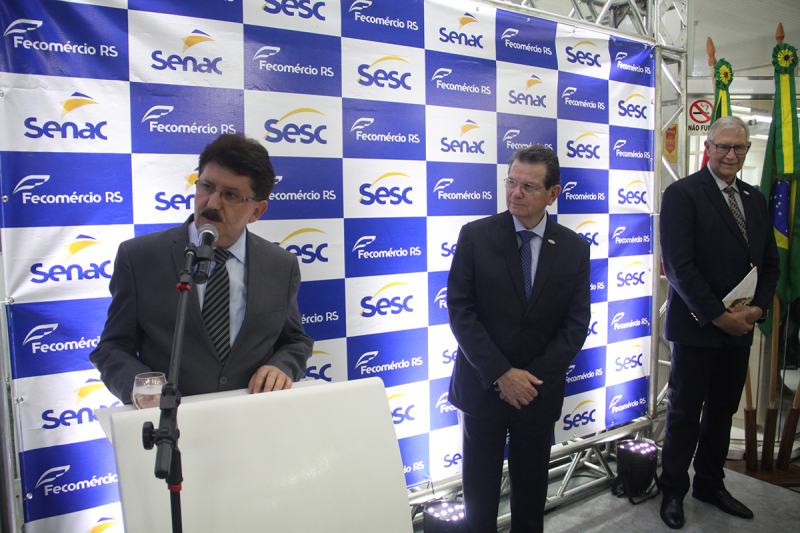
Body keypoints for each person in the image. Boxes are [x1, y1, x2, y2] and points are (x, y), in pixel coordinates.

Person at [90, 134, 313, 403]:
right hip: (171, 419)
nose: (212, 203)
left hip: (252, 414)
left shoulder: (281, 265)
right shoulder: (139, 257)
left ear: (257, 211)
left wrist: (282, 366)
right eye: (207, 187)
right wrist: (141, 387)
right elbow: (112, 347)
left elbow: (295, 340)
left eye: (231, 195)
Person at [447, 145, 591, 532]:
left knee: (530, 500)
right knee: (479, 500)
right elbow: (460, 311)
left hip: (537, 394)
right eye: (511, 182)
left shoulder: (575, 248)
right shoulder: (475, 236)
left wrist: (530, 382)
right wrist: (501, 374)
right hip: (483, 389)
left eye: (528, 186)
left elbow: (576, 323)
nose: (515, 193)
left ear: (553, 193)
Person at [658, 116, 780, 529]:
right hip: (697, 328)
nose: (731, 154)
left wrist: (756, 311)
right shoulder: (682, 194)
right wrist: (717, 316)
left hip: (740, 328)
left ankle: (710, 484)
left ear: (747, 150)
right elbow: (679, 266)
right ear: (708, 147)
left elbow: (770, 265)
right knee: (684, 413)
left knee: (722, 411)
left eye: (738, 147)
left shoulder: (755, 199)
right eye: (723, 146)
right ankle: (673, 489)